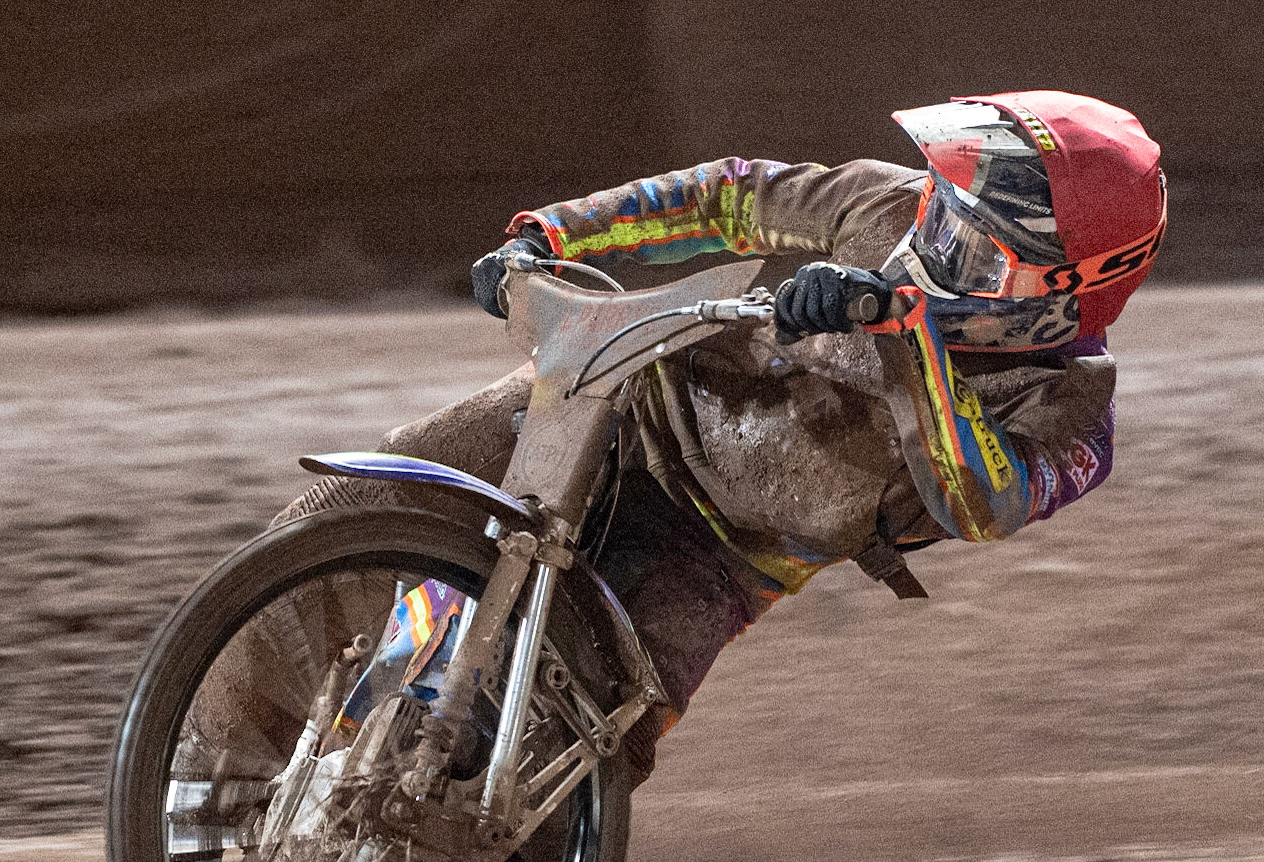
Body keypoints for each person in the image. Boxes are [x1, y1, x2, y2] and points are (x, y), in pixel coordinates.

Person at [279, 90, 1166, 783]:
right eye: (941, 208)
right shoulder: (883, 208)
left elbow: (982, 502)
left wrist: (910, 340)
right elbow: (731, 197)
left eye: (970, 245)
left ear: (1062, 289)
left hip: (719, 557)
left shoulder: (1072, 404)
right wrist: (553, 231)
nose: (926, 240)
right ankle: (201, 794)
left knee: (587, 750)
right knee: (345, 510)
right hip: (624, 404)